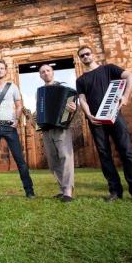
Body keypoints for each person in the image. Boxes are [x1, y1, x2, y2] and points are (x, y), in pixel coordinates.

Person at [75, 46, 132, 204]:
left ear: (92, 54)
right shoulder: (80, 80)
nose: (86, 57)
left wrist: (126, 96)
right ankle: (115, 191)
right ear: (80, 60)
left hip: (115, 116)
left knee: (126, 151)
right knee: (104, 155)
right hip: (95, 121)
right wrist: (88, 115)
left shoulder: (109, 69)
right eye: (82, 56)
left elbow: (131, 76)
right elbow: (82, 100)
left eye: (88, 54)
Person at [0, 59, 35, 199]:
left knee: (19, 159)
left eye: (1, 68)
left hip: (9, 126)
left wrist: (16, 120)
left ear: (5, 70)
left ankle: (29, 190)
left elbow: (19, 106)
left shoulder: (13, 87)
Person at [38, 64, 77, 202]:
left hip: (61, 128)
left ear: (52, 72)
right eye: (43, 72)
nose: (46, 73)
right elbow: (41, 110)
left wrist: (73, 108)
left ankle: (67, 191)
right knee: (53, 161)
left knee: (65, 157)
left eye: (48, 70)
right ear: (40, 75)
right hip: (46, 129)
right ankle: (62, 188)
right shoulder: (40, 92)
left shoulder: (65, 90)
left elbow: (73, 106)